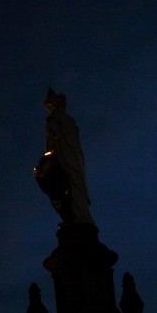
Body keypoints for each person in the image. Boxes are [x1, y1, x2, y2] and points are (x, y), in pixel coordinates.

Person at [43, 89, 94, 224]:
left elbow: (51, 137)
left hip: (64, 157)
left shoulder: (56, 118)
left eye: (49, 107)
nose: (48, 109)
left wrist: (48, 156)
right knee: (74, 185)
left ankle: (77, 218)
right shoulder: (68, 119)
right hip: (73, 157)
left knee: (67, 186)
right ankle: (78, 217)